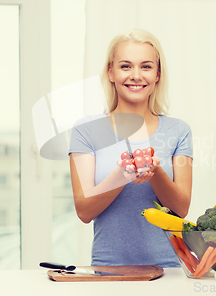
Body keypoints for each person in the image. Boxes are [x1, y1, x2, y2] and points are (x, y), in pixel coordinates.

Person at [68, 28, 193, 267]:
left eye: (146, 66)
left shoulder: (178, 131)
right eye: (126, 66)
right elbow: (84, 212)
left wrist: (155, 174)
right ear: (111, 72)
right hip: (108, 270)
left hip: (170, 269)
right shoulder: (86, 130)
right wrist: (123, 174)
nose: (136, 75)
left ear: (157, 74)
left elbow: (181, 208)